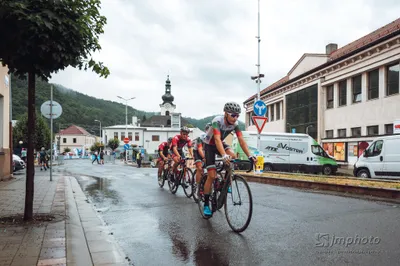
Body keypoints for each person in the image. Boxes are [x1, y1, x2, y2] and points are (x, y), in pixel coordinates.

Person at [201, 102, 256, 216]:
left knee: (233, 156)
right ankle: (206, 204)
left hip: (220, 143)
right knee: (211, 176)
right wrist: (223, 155)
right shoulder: (217, 121)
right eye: (233, 115)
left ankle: (225, 183)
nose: (235, 118)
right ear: (225, 113)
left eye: (237, 115)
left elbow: (241, 141)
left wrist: (250, 155)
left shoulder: (235, 125)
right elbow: (216, 139)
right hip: (210, 145)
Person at [193, 123, 211, 190]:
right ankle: (197, 185)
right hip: (197, 152)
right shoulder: (200, 137)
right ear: (206, 131)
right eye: (209, 130)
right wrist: (204, 158)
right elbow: (200, 150)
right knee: (200, 168)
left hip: (206, 151)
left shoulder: (214, 137)